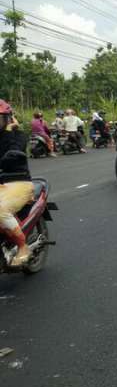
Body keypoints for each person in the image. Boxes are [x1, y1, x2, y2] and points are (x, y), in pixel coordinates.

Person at [0, 99, 35, 267]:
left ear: (8, 119)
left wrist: (8, 132)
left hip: (18, 183)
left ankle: (23, 247)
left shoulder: (18, 136)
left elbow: (13, 151)